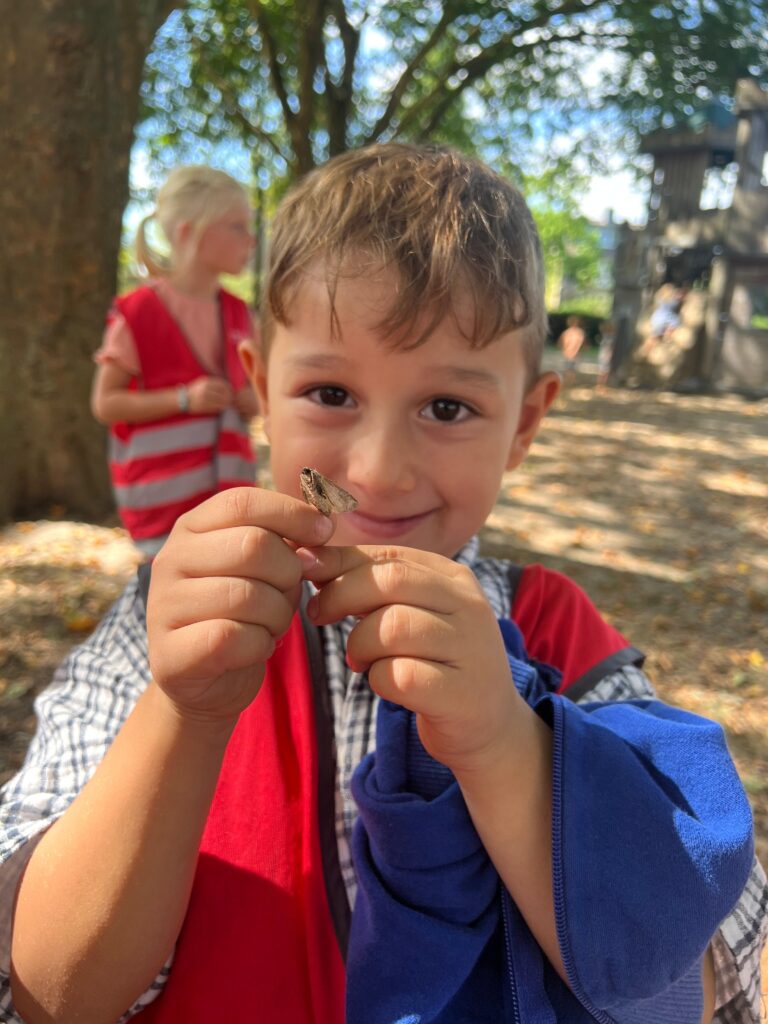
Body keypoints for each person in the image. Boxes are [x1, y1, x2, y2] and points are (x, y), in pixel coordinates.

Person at [1, 144, 766, 1024]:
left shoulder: (555, 631)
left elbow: (710, 976)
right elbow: (52, 991)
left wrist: (505, 743)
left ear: (525, 422)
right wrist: (183, 710)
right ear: (258, 385)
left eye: (447, 408)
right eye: (330, 393)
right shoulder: (158, 626)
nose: (377, 470)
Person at [91, 165, 260, 558]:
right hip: (162, 510)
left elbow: (256, 389)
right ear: (189, 232)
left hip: (230, 498)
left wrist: (253, 401)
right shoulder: (138, 313)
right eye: (236, 227)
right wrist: (184, 399)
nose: (249, 239)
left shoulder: (241, 316)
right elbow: (106, 404)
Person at [556, 314, 586, 384]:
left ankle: (568, 381)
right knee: (571, 369)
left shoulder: (566, 332)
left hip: (568, 353)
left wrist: (565, 349)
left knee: (568, 368)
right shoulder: (579, 333)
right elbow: (581, 343)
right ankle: (570, 381)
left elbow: (560, 342)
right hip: (573, 353)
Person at [595, 319, 616, 388]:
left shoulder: (605, 336)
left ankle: (600, 385)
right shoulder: (609, 337)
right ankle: (601, 385)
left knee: (602, 371)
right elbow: (610, 348)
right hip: (606, 355)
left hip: (603, 355)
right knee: (604, 371)